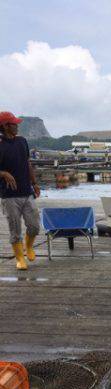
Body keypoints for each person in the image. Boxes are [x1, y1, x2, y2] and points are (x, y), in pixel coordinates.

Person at [0, 111, 40, 270]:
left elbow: (28, 163)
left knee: (34, 226)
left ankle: (28, 246)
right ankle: (19, 258)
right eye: (14, 124)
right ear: (5, 126)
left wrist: (35, 183)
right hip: (9, 195)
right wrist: (3, 173)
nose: (17, 126)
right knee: (14, 228)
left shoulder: (22, 141)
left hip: (26, 191)